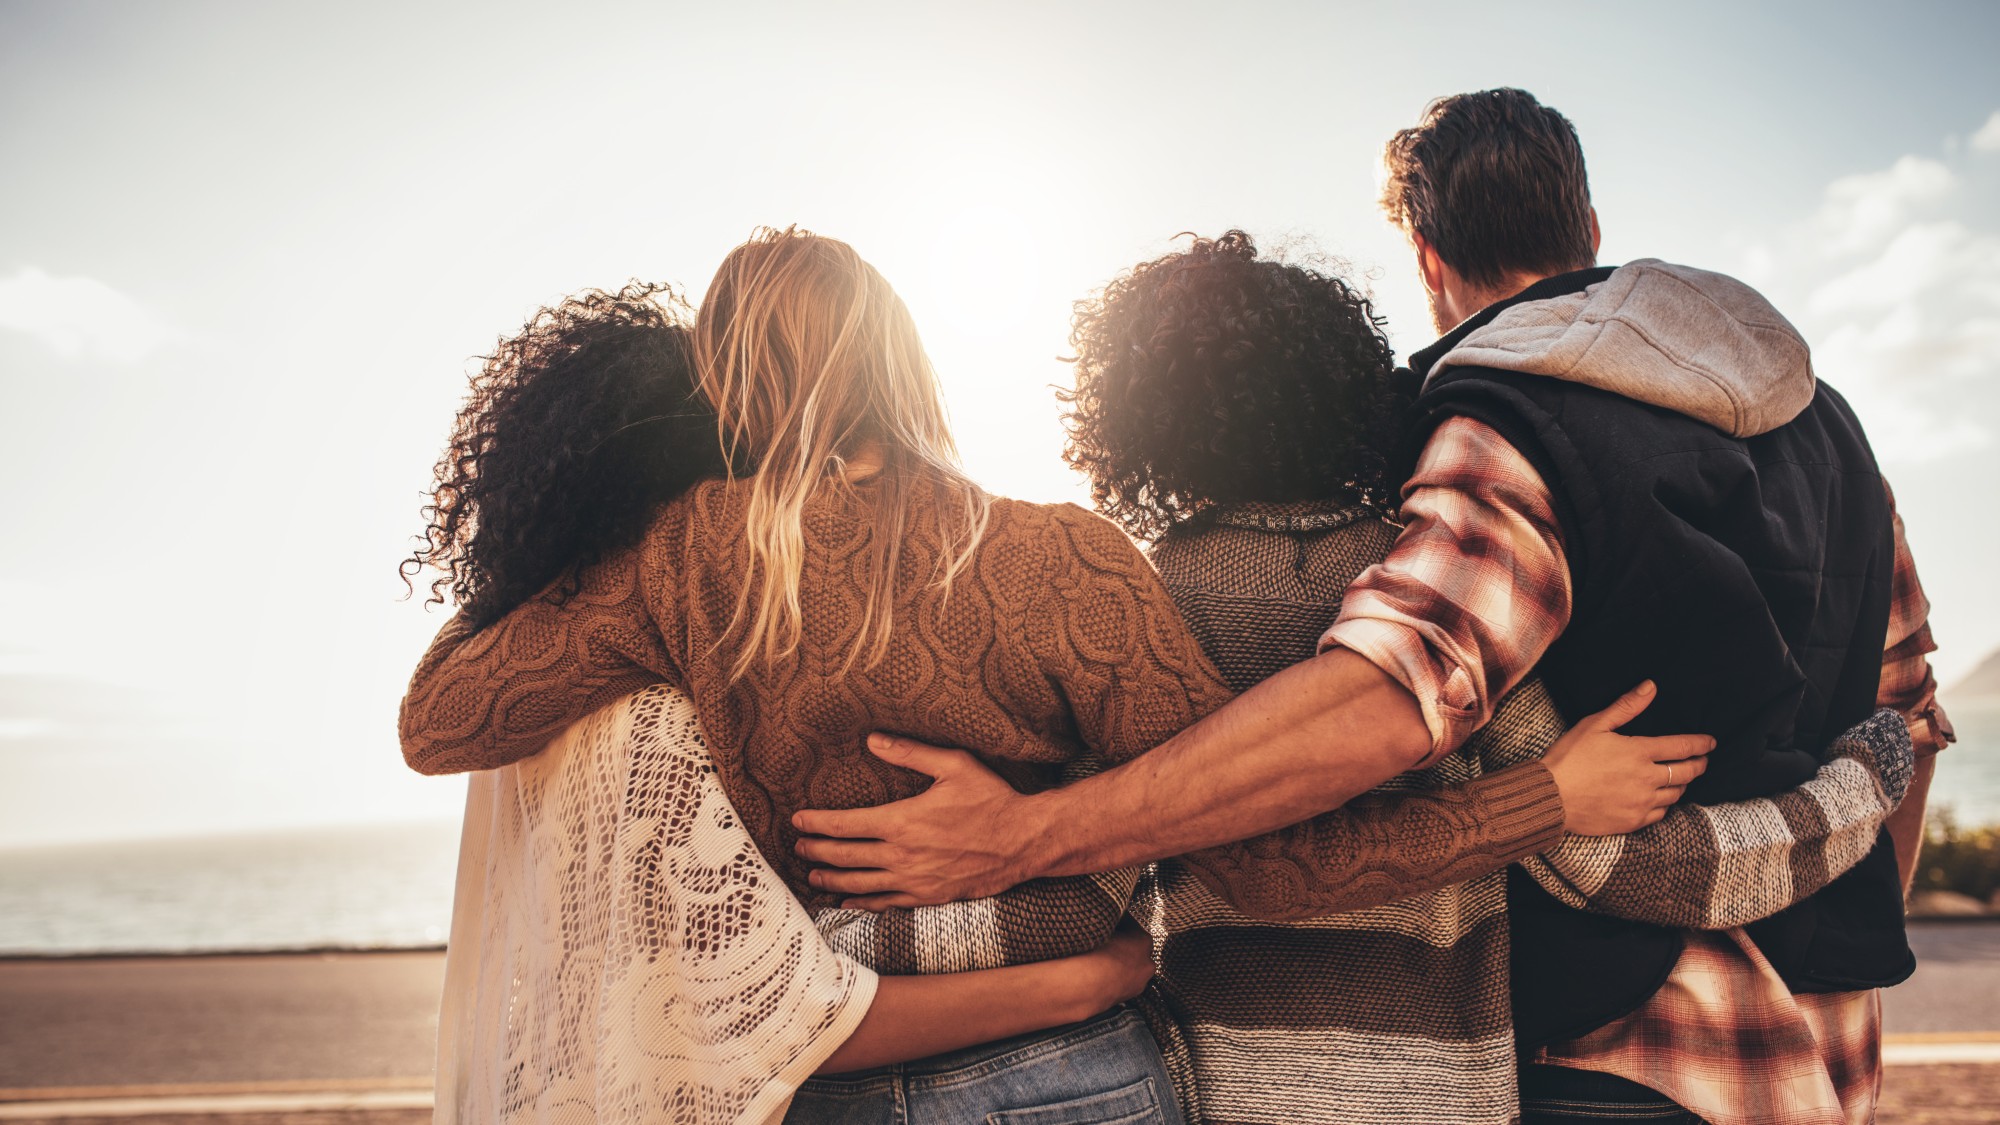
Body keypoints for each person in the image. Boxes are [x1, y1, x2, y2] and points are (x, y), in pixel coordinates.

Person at [794, 92, 1954, 1125]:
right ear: (1588, 227)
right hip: (1814, 1046)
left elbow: (1385, 699)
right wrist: (1843, 925)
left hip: (1614, 1052)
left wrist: (1011, 844)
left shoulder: (1500, 424)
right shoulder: (1829, 432)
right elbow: (1906, 718)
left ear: (1422, 250)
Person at [399, 230, 1692, 1124]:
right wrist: (1544, 796)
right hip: (1074, 1076)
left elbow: (439, 719)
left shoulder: (677, 560)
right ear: (907, 363)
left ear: (718, 375)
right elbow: (1269, 860)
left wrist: (553, 524)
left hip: (842, 1076)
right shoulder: (1059, 560)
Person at [1047, 230, 1912, 1125]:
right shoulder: (1840, 448)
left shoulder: (1147, 608)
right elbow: (1625, 863)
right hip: (1453, 1090)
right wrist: (1860, 788)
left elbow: (1083, 900)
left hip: (1238, 1083)